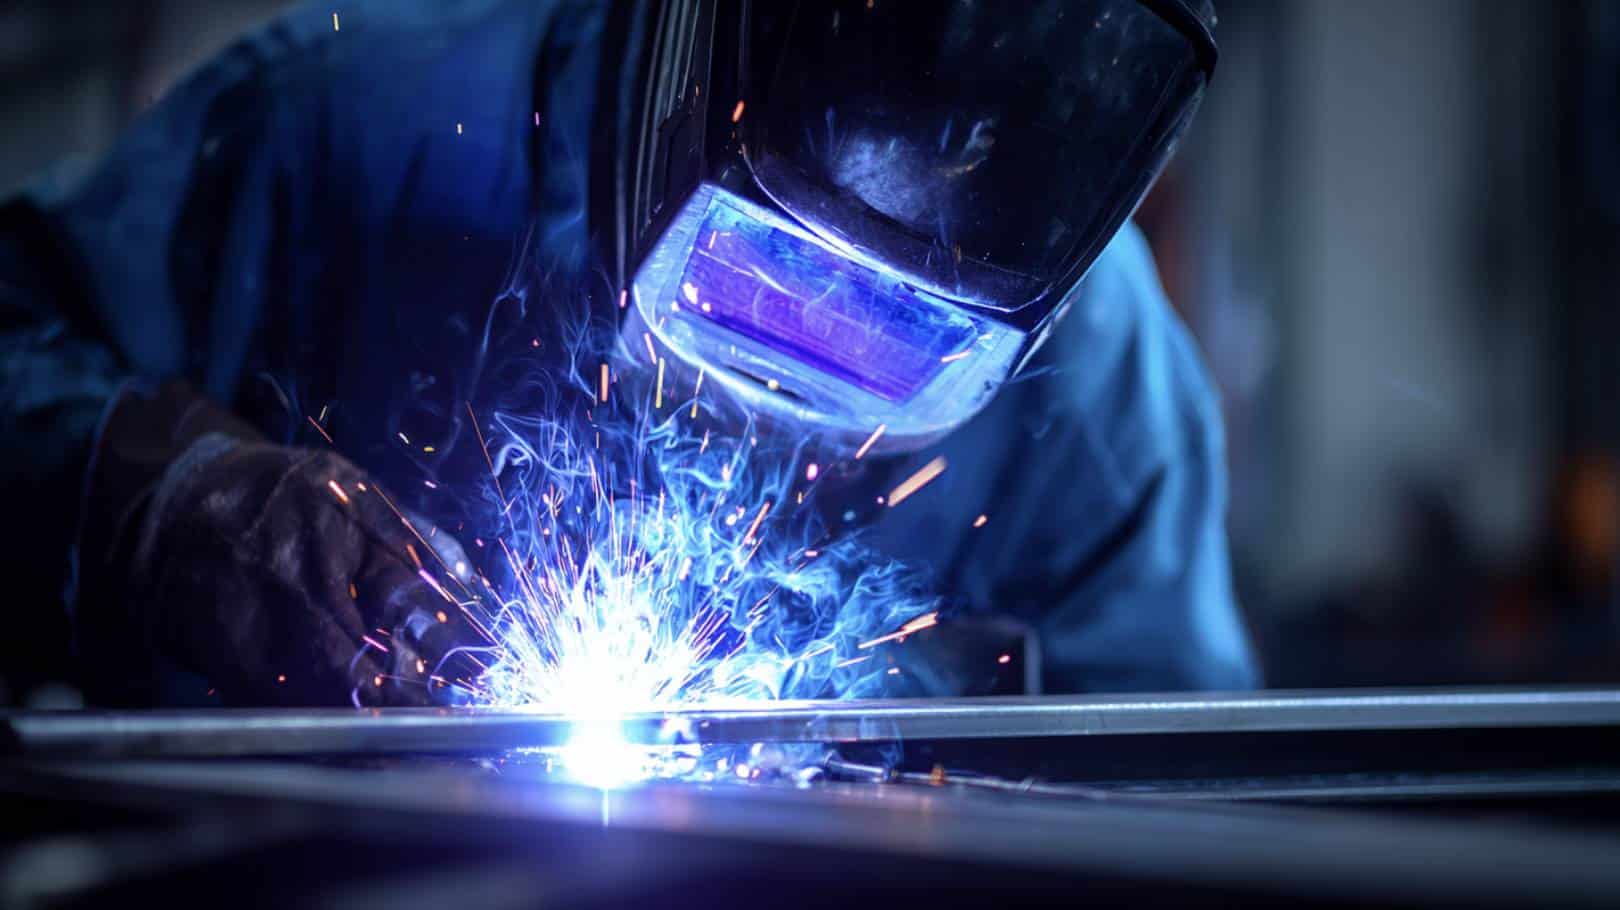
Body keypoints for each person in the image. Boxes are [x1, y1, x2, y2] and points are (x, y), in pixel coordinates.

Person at [0, 0, 1258, 707]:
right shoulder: (345, 134)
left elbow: (1184, 790)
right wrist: (154, 494)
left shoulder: (1102, 378)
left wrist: (949, 706)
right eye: (774, 267)